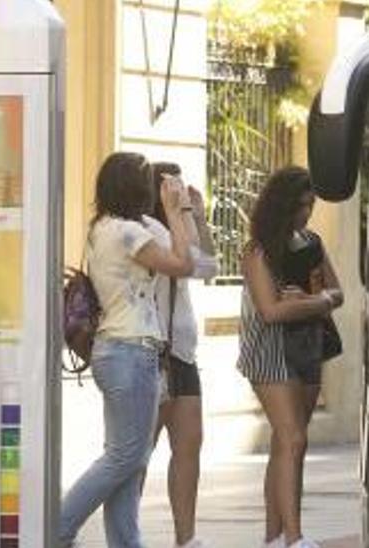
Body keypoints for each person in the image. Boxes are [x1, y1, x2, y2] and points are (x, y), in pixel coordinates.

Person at [58, 152, 195, 548]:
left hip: (114, 351)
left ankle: (124, 543)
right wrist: (176, 208)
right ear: (133, 188)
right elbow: (184, 263)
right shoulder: (129, 234)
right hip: (132, 350)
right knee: (125, 458)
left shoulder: (101, 227)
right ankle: (58, 528)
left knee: (126, 458)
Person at [237, 166, 344, 548]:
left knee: (290, 444)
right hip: (270, 352)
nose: (308, 212)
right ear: (283, 206)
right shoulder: (258, 250)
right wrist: (315, 303)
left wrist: (313, 301)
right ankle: (294, 538)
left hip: (308, 348)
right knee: (293, 438)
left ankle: (274, 535)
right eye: (302, 205)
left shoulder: (312, 241)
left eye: (312, 204)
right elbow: (271, 311)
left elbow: (338, 292)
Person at [146, 162, 218, 548]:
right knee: (139, 452)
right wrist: (183, 214)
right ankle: (126, 533)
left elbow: (209, 266)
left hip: (183, 353)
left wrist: (199, 214)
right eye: (172, 186)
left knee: (189, 444)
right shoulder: (147, 230)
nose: (179, 192)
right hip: (153, 351)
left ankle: (185, 538)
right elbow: (191, 263)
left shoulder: (177, 226)